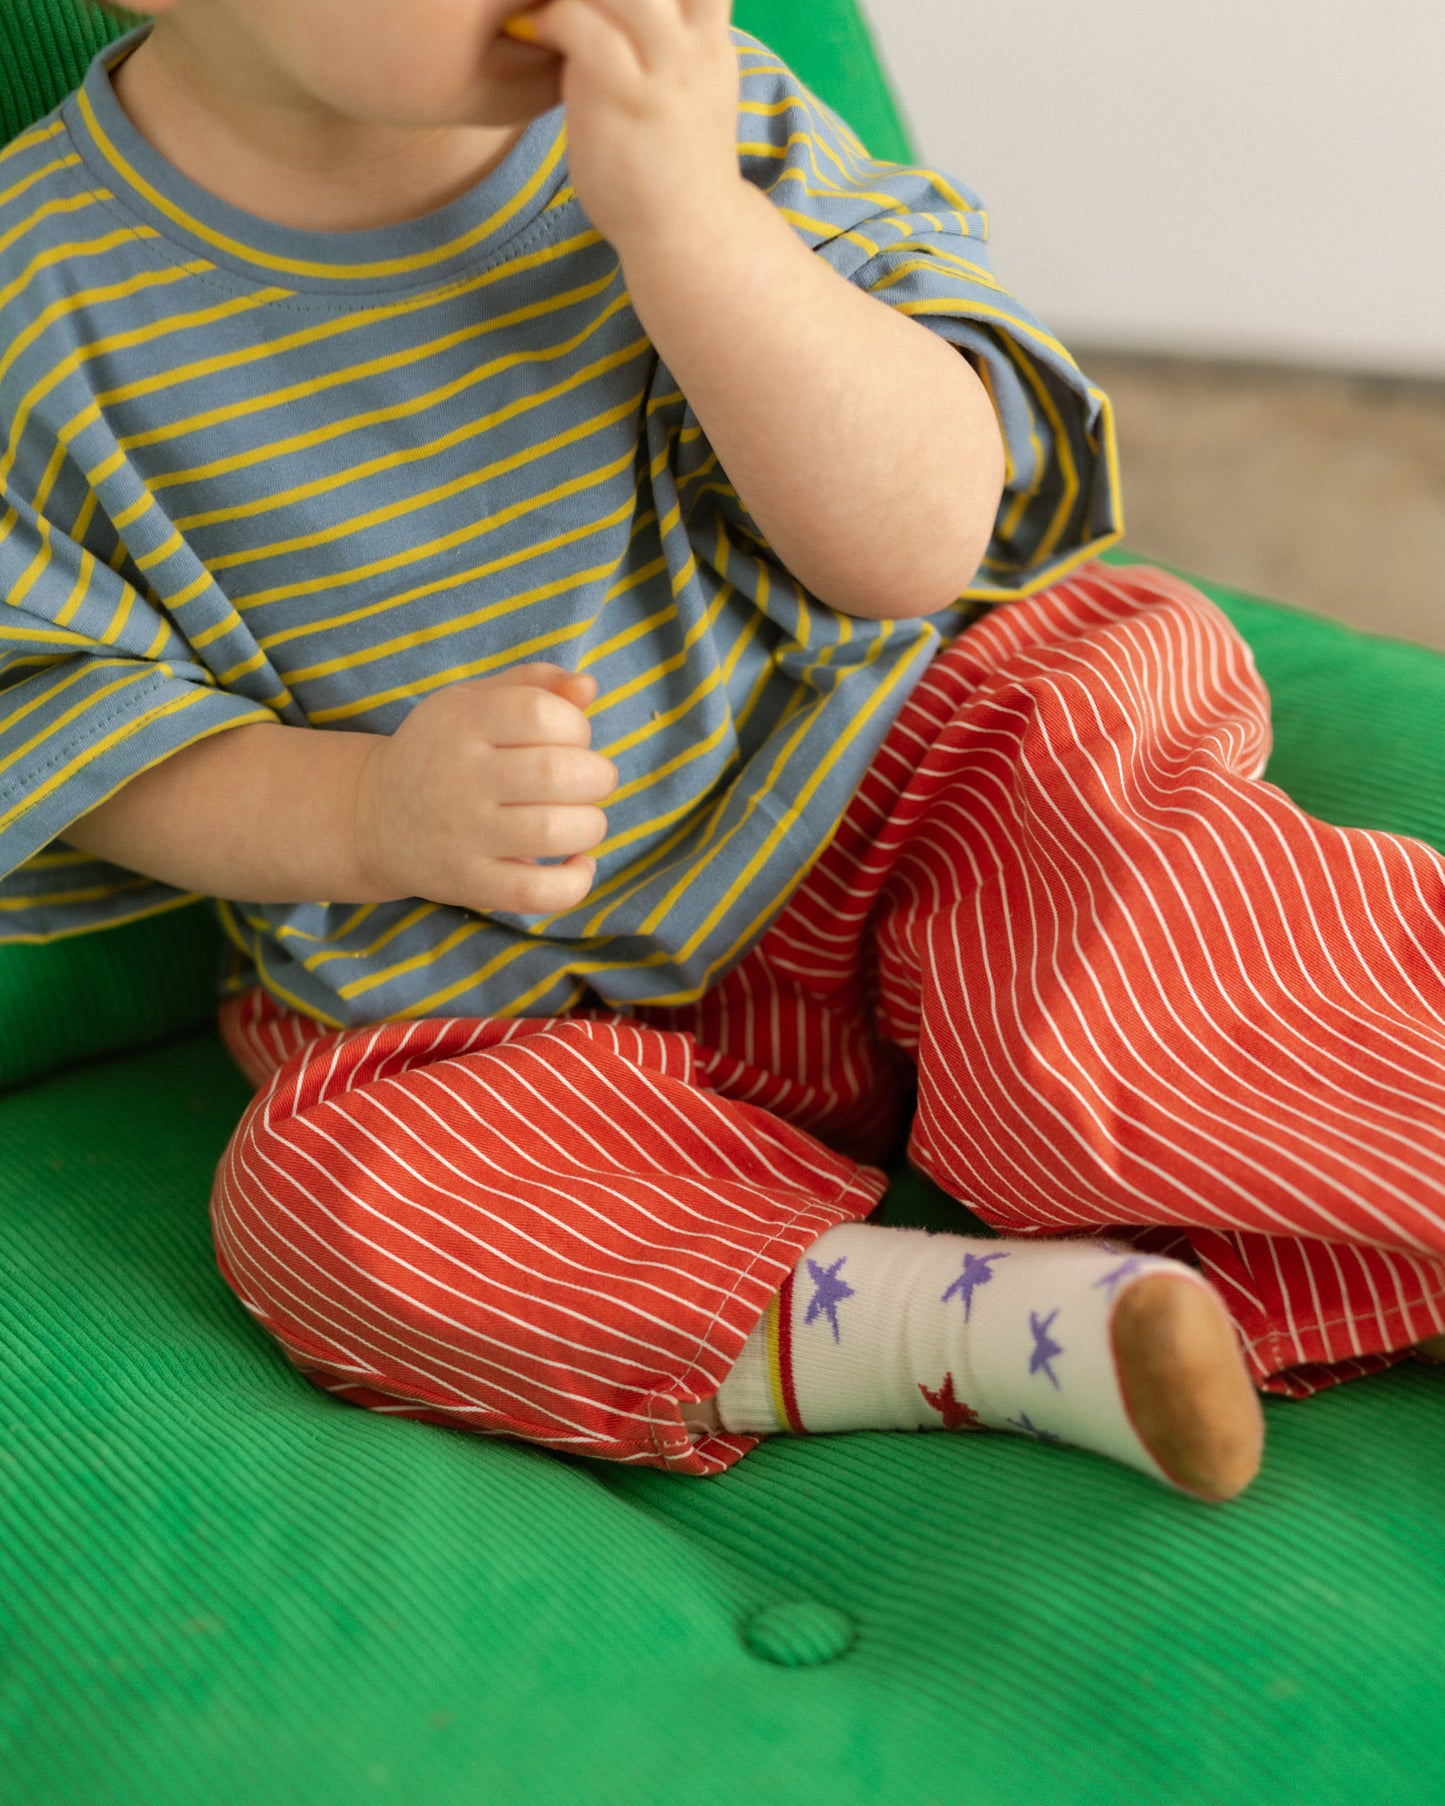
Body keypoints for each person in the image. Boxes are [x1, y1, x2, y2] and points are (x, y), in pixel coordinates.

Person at [4, 0, 1444, 1501]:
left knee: (1133, 911)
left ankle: (1390, 1153)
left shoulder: (696, 114)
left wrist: (688, 229)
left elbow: (919, 543)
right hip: (502, 990)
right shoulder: (35, 308)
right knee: (334, 1204)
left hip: (903, 785)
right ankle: (994, 1333)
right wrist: (371, 811)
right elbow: (72, 725)